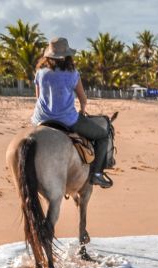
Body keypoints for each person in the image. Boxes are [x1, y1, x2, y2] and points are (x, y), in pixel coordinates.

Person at [31, 37, 113, 188]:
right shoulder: (72, 74)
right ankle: (96, 174)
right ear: (67, 56)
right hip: (66, 120)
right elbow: (83, 98)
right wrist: (82, 110)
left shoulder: (40, 72)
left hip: (39, 119)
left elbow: (38, 98)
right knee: (102, 135)